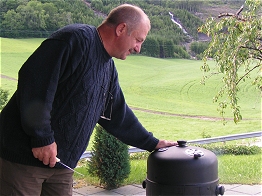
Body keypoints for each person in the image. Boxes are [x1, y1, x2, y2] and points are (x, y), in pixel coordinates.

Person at [0, 4, 176, 196]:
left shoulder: (108, 70)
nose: (138, 48)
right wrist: (41, 137)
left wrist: (152, 143)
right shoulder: (75, 39)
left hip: (61, 167)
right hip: (23, 161)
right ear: (121, 29)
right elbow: (35, 82)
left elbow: (117, 115)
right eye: (138, 40)